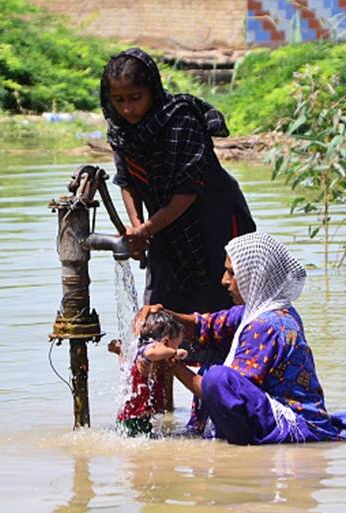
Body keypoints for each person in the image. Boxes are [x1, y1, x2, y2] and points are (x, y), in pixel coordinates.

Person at [139, 232, 346, 445]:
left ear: (256, 276)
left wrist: (171, 364)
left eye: (232, 273)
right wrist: (162, 313)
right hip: (280, 412)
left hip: (293, 424)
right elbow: (205, 326)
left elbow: (222, 392)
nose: (224, 281)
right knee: (214, 361)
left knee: (217, 377)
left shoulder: (267, 325)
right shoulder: (257, 311)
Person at [100, 47, 256, 411]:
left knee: (223, 309)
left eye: (135, 98)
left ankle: (227, 404)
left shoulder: (180, 119)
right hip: (165, 231)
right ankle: (162, 414)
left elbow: (188, 190)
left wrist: (147, 229)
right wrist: (136, 228)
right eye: (119, 100)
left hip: (213, 221)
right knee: (157, 320)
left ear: (153, 90)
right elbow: (125, 181)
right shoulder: (120, 130)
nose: (128, 109)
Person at [109, 311, 188, 437]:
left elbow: (126, 369)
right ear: (166, 341)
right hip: (133, 417)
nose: (176, 348)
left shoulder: (151, 356)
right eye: (177, 343)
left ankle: (120, 351)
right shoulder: (149, 350)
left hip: (137, 415)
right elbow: (151, 353)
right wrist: (174, 352)